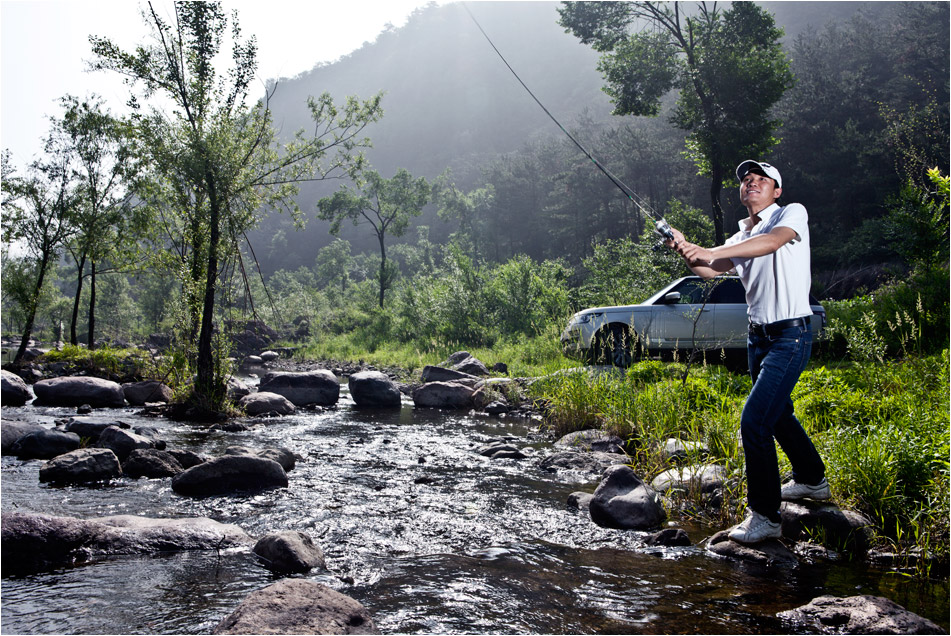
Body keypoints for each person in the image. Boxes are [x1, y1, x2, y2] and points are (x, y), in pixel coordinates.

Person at [664, 160, 829, 544]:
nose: (750, 183)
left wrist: (707, 249)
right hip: (759, 337)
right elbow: (711, 269)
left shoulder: (791, 215)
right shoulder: (740, 234)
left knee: (755, 422)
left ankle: (766, 517)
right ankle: (812, 481)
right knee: (779, 414)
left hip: (791, 335)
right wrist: (684, 246)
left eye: (760, 179)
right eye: (745, 181)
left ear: (776, 190)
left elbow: (770, 244)